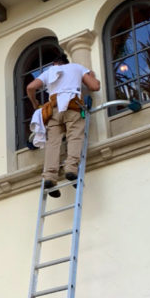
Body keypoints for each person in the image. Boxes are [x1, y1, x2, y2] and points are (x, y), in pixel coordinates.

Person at [26, 49, 101, 198]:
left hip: (53, 109)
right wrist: (92, 76)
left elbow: (30, 87)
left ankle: (49, 177)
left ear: (55, 63)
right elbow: (94, 87)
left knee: (53, 142)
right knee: (74, 136)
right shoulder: (77, 67)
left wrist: (35, 103)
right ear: (66, 62)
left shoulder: (49, 72)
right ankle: (71, 169)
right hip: (73, 106)